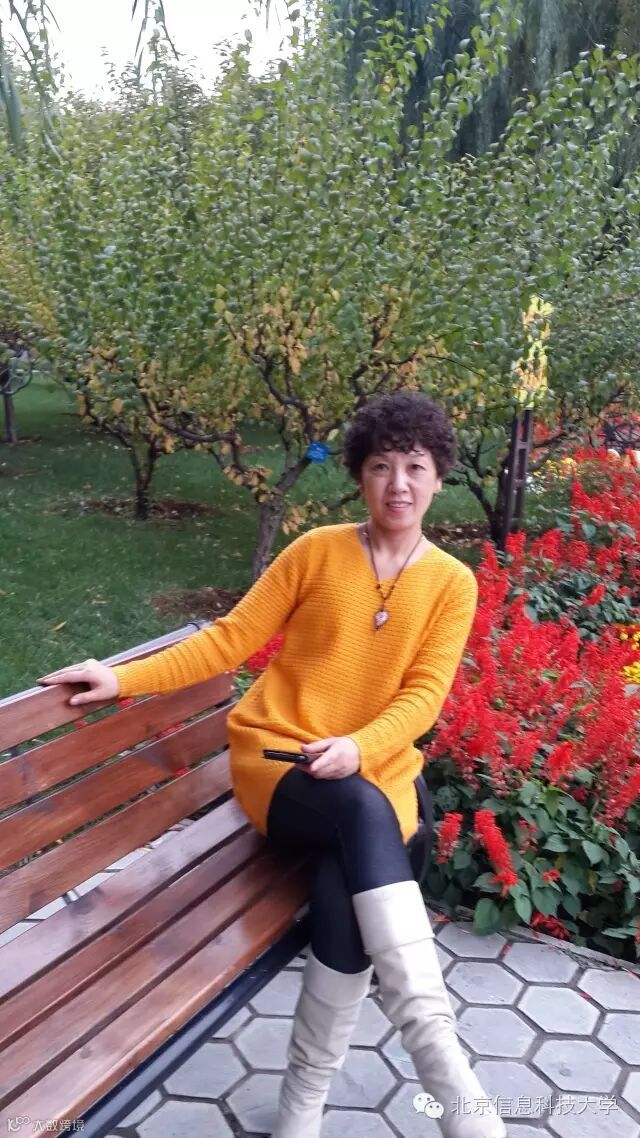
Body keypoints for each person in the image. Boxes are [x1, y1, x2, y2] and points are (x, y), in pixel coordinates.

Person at [40, 391, 506, 1138]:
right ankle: (446, 1070)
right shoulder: (317, 551)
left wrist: (359, 748)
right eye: (381, 466)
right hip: (279, 761)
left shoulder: (452, 582)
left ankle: (300, 1111)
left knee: (347, 879)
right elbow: (229, 639)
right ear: (359, 475)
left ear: (439, 476)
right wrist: (121, 677)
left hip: (368, 773)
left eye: (415, 467)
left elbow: (424, 697)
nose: (398, 484)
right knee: (361, 814)